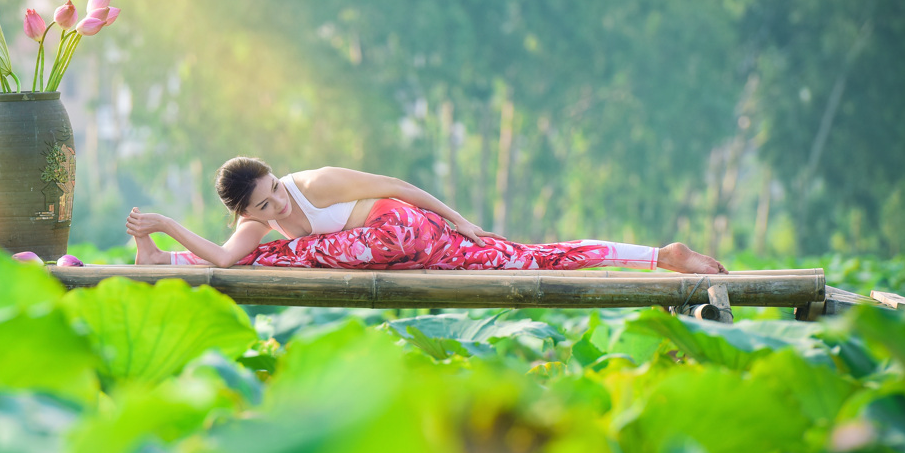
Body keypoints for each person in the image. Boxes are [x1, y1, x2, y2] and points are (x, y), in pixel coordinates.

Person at [126, 156, 727, 274]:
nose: (280, 203)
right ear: (245, 211)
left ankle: (657, 256)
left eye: (277, 190)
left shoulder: (315, 183)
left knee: (287, 253)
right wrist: (164, 228)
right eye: (265, 205)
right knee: (536, 259)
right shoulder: (255, 229)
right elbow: (229, 256)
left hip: (411, 229)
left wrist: (461, 219)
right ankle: (661, 257)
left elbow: (398, 186)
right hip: (422, 258)